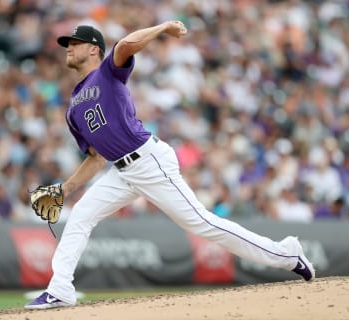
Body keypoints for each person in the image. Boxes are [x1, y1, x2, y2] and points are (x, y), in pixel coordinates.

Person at [25, 21, 315, 309]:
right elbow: (96, 157)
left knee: (202, 223)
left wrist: (162, 27)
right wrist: (65, 189)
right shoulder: (74, 105)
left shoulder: (108, 72)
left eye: (74, 43)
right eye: (67, 44)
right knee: (80, 216)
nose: (68, 48)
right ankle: (60, 288)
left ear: (92, 49)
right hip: (122, 171)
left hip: (149, 161)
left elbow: (125, 45)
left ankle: (287, 254)